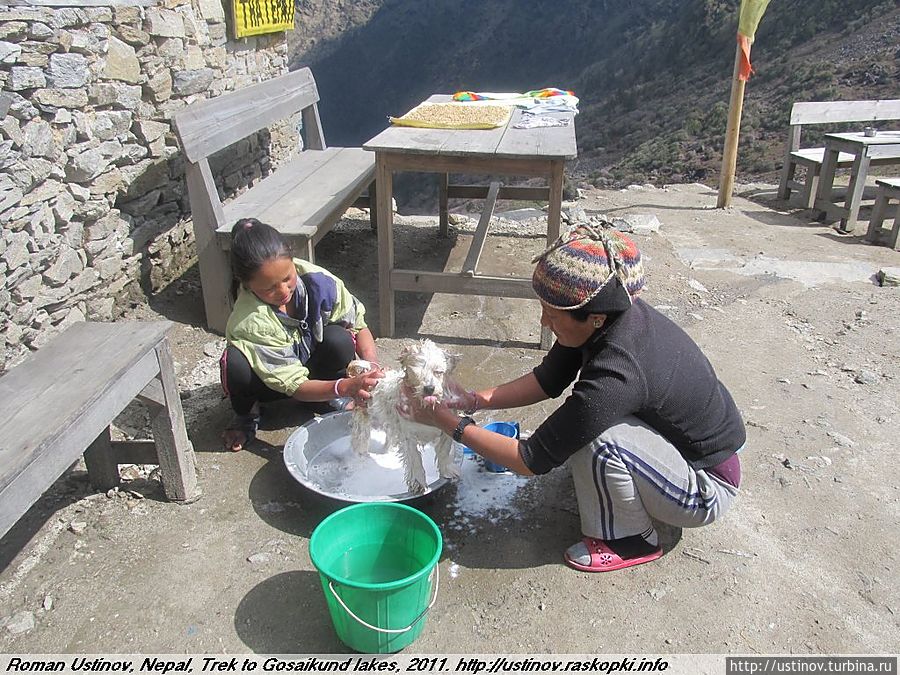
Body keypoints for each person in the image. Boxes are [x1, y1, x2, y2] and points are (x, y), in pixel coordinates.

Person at [405, 224, 745, 572]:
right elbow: (548, 379)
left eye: (552, 315)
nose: (543, 320)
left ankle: (630, 540)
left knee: (597, 436)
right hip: (683, 449)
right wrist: (474, 400)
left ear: (594, 318)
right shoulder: (608, 316)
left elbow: (531, 459)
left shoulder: (619, 370)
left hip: (705, 486)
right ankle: (622, 483)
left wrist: (448, 423)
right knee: (582, 428)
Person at [220, 218, 382, 452]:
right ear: (247, 285)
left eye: (287, 278)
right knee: (236, 364)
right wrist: (346, 387)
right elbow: (294, 385)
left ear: (293, 262)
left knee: (340, 339)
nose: (283, 291)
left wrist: (372, 367)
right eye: (269, 288)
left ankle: (327, 395)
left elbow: (358, 324)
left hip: (310, 362)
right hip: (271, 384)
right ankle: (247, 415)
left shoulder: (319, 282)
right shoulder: (250, 321)